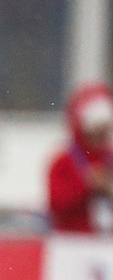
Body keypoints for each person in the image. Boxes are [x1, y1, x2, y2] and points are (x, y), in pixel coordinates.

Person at [49, 82, 113, 233]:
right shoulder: (63, 162)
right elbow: (57, 205)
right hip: (72, 242)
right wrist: (86, 185)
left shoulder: (109, 157)